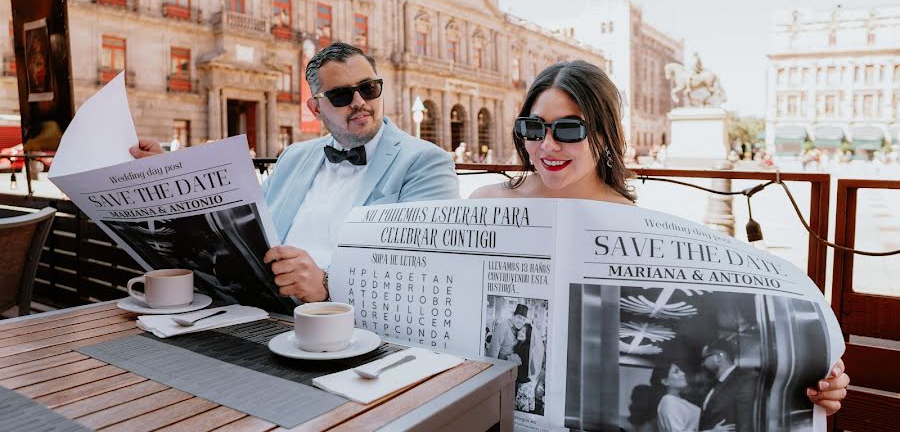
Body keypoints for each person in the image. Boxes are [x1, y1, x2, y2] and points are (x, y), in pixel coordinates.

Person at [470, 60, 849, 415]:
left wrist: (813, 376)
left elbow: (694, 337)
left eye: (569, 129)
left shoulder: (639, 230)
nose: (547, 145)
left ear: (605, 134)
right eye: (533, 128)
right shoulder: (485, 203)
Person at [130, 42, 459, 302]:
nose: (359, 101)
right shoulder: (294, 157)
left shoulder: (425, 162)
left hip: (348, 329)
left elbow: (426, 273)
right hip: (261, 313)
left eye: (369, 88)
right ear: (316, 108)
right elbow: (242, 220)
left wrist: (327, 285)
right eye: (341, 95)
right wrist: (170, 176)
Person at [650, 362, 734, 432]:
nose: (683, 373)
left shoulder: (678, 400)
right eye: (676, 372)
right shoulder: (668, 401)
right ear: (665, 381)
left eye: (680, 370)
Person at [698, 341, 757, 432]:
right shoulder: (714, 384)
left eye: (704, 359)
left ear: (718, 357)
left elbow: (745, 425)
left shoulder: (744, 380)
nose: (702, 364)